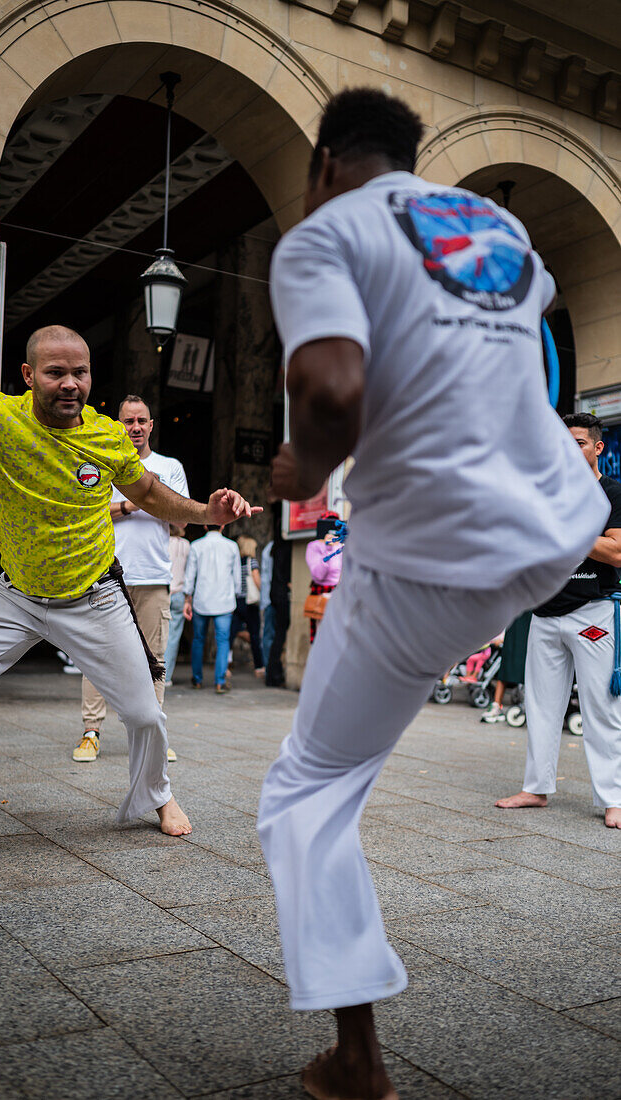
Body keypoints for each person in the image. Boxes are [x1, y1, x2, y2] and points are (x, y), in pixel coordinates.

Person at [256, 88, 608, 1100]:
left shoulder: (322, 237)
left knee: (306, 789)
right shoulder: (489, 220)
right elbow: (517, 322)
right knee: (345, 758)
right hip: (555, 525)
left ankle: (357, 1056)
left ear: (325, 164)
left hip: (432, 555)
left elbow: (329, 388)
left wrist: (305, 469)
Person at [0, 317, 259, 857]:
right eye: (55, 372)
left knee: (143, 712)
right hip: (17, 595)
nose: (69, 383)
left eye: (79, 373)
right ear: (28, 374)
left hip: (94, 596)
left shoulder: (107, 434)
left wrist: (206, 512)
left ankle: (158, 796)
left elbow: (151, 493)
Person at [496, 413, 621, 829]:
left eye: (580, 443)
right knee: (541, 707)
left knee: (602, 709)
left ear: (598, 447)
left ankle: (614, 798)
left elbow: (617, 553)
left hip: (594, 613)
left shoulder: (612, 493)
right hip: (545, 614)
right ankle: (537, 788)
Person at [76, 395, 189, 764]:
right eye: (128, 421)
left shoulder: (170, 467)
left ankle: (154, 734)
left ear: (151, 425)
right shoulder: (104, 462)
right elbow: (90, 510)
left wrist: (158, 501)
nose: (135, 427)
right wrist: (134, 503)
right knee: (98, 655)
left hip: (155, 576)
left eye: (142, 420)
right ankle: (91, 732)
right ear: (118, 424)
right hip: (106, 575)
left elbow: (182, 521)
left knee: (154, 660)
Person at [183, 525, 241, 693]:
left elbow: (190, 574)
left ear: (206, 525)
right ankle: (220, 681)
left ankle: (197, 679)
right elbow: (237, 576)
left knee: (198, 639)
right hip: (224, 601)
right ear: (223, 525)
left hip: (202, 599)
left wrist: (188, 596)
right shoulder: (232, 546)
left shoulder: (196, 545)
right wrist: (236, 593)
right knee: (223, 641)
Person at [481, 610, 532, 723]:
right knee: (506, 664)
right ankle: (497, 705)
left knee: (532, 666)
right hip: (516, 621)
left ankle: (531, 707)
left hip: (535, 618)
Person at [230, 535, 265, 676]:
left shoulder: (236, 562)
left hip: (237, 601)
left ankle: (225, 664)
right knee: (255, 635)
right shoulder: (252, 562)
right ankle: (259, 667)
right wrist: (263, 590)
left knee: (230, 634)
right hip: (250, 603)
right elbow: (256, 579)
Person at [305, 512, 343, 643]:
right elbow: (318, 574)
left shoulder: (342, 547)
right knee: (321, 639)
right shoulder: (314, 546)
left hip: (339, 594)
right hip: (320, 594)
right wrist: (328, 549)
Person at [265, 526, 291, 688]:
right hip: (282, 596)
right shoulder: (286, 549)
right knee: (280, 635)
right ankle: (275, 674)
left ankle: (272, 673)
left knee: (275, 635)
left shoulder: (274, 549)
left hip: (274, 594)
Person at [163, 524, 190, 685]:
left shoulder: (162, 541)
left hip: (162, 591)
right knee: (172, 637)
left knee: (155, 634)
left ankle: (153, 674)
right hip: (179, 593)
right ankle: (166, 676)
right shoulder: (186, 545)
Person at [260, 537, 275, 667]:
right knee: (269, 634)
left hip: (268, 597)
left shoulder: (268, 548)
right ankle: (268, 666)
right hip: (271, 598)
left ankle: (267, 666)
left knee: (268, 633)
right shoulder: (271, 548)